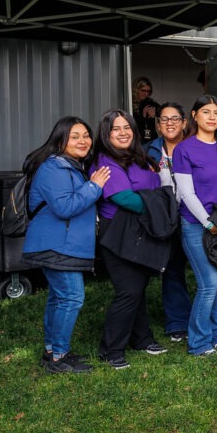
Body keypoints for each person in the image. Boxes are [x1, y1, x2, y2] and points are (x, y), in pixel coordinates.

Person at [22, 116, 111, 374]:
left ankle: (52, 352)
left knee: (59, 297)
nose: (83, 141)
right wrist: (95, 186)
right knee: (72, 297)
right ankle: (59, 358)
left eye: (86, 135)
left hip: (64, 244)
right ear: (60, 139)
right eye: (75, 136)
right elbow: (65, 207)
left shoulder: (72, 166)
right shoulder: (54, 168)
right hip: (55, 245)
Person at [91, 110, 168, 370]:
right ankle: (111, 350)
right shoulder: (106, 161)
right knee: (128, 290)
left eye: (127, 127)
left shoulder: (138, 158)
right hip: (118, 231)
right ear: (106, 133)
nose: (123, 133)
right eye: (116, 129)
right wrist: (160, 205)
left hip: (141, 228)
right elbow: (126, 199)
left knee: (138, 287)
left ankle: (142, 338)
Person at [172, 95, 217, 357]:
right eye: (206, 112)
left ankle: (215, 335)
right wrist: (208, 222)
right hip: (195, 224)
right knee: (209, 283)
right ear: (194, 116)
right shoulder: (184, 149)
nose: (212, 117)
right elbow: (187, 194)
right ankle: (199, 342)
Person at [147, 103, 193, 342]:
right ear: (157, 125)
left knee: (207, 271)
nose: (169, 123)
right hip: (167, 218)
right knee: (173, 269)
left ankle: (210, 320)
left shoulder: (196, 147)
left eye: (175, 118)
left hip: (195, 216)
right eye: (164, 119)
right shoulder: (150, 152)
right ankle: (178, 322)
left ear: (185, 122)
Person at [131, 77, 161, 142]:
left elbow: (163, 115)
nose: (146, 94)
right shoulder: (129, 104)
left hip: (151, 140)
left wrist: (155, 117)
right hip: (136, 141)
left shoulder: (151, 104)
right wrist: (143, 117)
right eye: (143, 90)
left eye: (148, 91)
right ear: (136, 90)